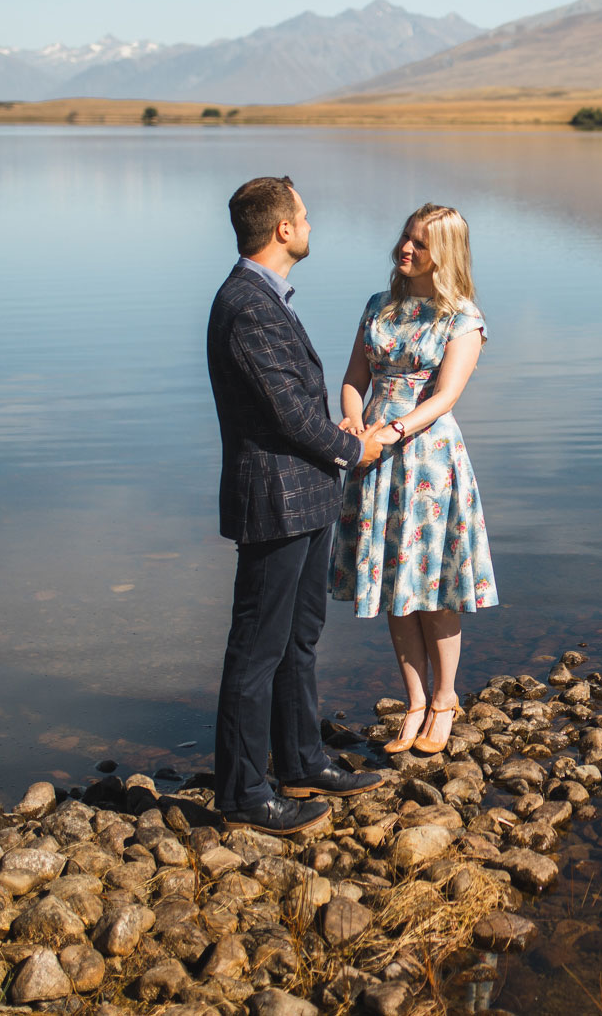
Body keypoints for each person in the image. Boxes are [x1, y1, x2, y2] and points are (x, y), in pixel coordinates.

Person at [207, 176, 389, 835]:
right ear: (281, 229)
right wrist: (352, 448)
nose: (310, 224)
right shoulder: (249, 305)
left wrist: (337, 452)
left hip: (305, 495)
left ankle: (303, 759)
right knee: (256, 650)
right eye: (304, 216)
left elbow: (294, 403)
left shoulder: (268, 297)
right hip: (276, 500)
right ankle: (242, 791)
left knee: (298, 640)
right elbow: (286, 412)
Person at [334, 203, 498, 757]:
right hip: (374, 455)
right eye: (405, 238)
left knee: (434, 585)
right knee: (395, 591)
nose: (406, 250)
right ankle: (414, 703)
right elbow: (355, 377)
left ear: (443, 255)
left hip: (427, 459)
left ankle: (446, 700)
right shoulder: (379, 306)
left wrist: (394, 428)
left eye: (420, 245)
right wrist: (355, 424)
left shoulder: (462, 317)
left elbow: (447, 396)